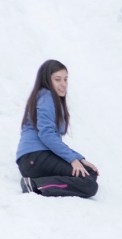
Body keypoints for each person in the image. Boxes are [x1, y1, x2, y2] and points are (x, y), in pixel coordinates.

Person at [16, 60, 99, 198]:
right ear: (46, 80)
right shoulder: (46, 97)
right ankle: (34, 184)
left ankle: (41, 181)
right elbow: (47, 135)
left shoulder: (49, 98)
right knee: (88, 184)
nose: (63, 84)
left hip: (38, 157)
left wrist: (79, 159)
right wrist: (73, 160)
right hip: (33, 158)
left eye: (66, 79)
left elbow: (53, 138)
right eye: (57, 79)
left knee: (89, 172)